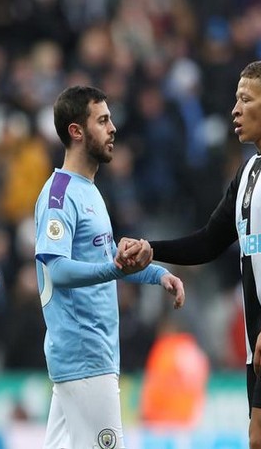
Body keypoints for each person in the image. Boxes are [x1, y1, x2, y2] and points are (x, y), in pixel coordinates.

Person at [117, 58, 261, 449]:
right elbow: (210, 240)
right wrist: (154, 250)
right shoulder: (249, 171)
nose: (234, 109)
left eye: (245, 99)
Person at [34, 85, 185, 449]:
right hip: (85, 354)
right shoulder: (60, 195)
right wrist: (117, 271)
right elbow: (57, 270)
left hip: (86, 356)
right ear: (76, 131)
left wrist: (157, 273)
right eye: (102, 120)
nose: (113, 128)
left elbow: (106, 258)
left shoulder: (89, 190)